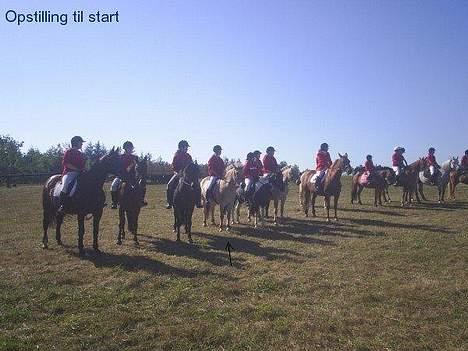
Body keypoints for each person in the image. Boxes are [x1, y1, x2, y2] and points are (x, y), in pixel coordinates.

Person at [166, 140, 202, 209]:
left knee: (197, 184)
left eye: (187, 147)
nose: (187, 148)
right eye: (186, 147)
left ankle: (198, 202)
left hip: (188, 175)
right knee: (169, 185)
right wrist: (177, 172)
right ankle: (169, 202)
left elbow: (191, 165)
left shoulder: (188, 156)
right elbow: (174, 165)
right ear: (181, 147)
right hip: (179, 174)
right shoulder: (177, 155)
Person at [57, 136, 86, 214]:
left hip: (80, 173)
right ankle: (62, 205)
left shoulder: (81, 153)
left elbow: (83, 165)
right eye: (81, 142)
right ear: (76, 143)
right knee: (65, 186)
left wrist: (84, 169)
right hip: (69, 173)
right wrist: (77, 169)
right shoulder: (69, 152)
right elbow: (66, 163)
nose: (82, 144)